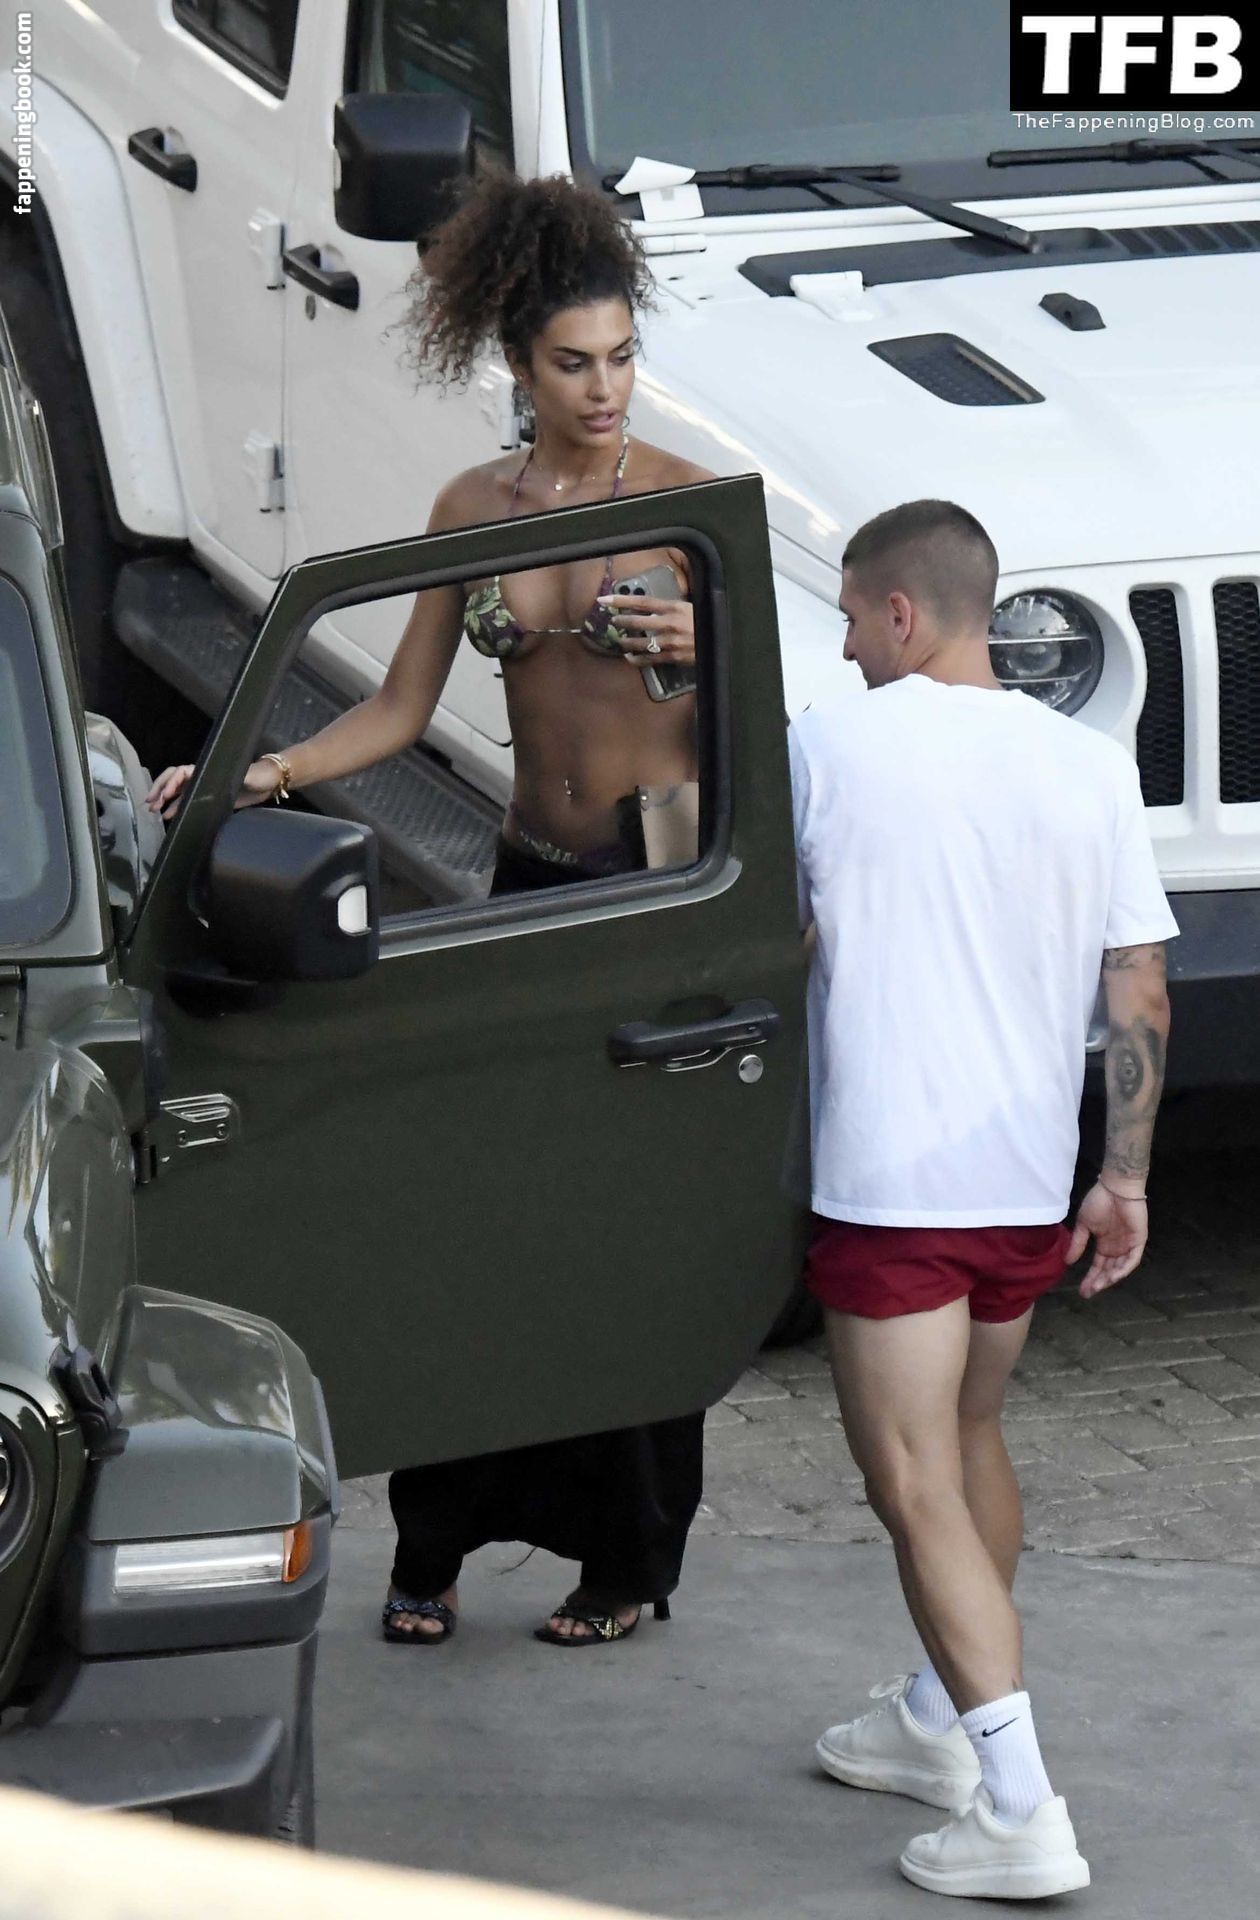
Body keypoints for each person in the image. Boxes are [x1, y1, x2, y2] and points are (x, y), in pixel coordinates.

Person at [146, 172, 712, 1650]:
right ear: (516, 365)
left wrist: (704, 644)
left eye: (621, 357)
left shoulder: (688, 511)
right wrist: (262, 768)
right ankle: (439, 1541)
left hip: (647, 901)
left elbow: (765, 729)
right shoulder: (471, 509)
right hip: (522, 885)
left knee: (624, 1236)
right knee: (480, 1223)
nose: (604, 388)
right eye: (573, 363)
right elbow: (400, 708)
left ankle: (626, 1559)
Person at [789, 500, 1176, 1899]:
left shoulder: (827, 747)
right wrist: (1122, 1175)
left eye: (851, 618)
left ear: (901, 612)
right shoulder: (1091, 765)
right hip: (1021, 1177)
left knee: (911, 1481)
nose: (847, 647)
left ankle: (1020, 1809)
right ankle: (937, 1722)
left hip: (889, 1182)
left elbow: (762, 929)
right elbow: (1139, 986)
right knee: (968, 1438)